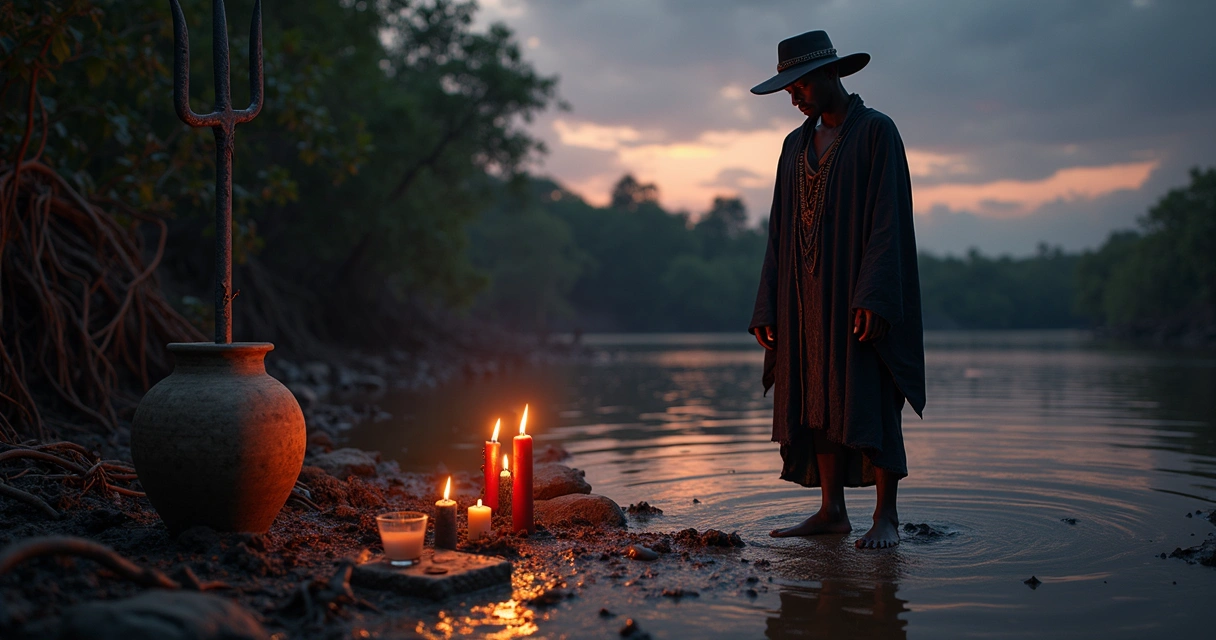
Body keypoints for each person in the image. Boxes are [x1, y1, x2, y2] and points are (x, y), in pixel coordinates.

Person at [748, 30, 926, 549]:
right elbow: (779, 229)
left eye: (799, 83)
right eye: (787, 88)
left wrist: (874, 293)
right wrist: (769, 304)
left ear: (832, 74)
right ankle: (831, 511)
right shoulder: (794, 145)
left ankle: (886, 516)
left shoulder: (877, 133)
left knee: (868, 394)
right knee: (813, 397)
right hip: (802, 300)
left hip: (856, 299)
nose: (793, 95)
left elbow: (888, 220)